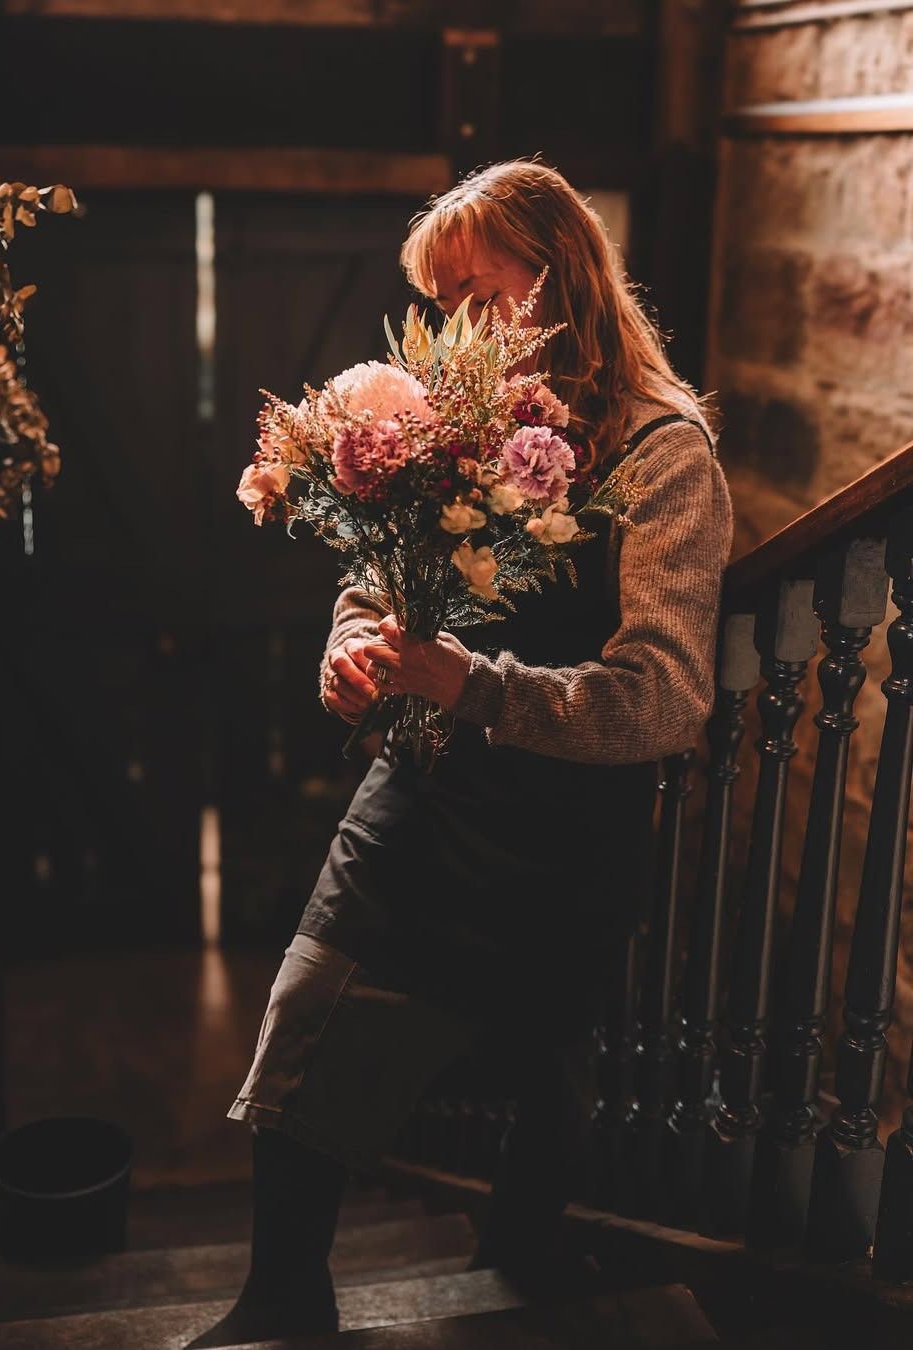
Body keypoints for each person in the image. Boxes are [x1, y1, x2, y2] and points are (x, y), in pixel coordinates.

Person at [185, 158, 734, 1348]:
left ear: (565, 276)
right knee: (308, 1011)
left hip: (561, 838)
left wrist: (478, 686)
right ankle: (282, 1294)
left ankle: (523, 1265)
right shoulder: (458, 423)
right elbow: (373, 575)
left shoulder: (662, 457)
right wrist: (352, 646)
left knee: (548, 1059)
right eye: (445, 307)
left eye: (484, 296)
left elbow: (665, 698)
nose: (462, 332)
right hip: (424, 800)